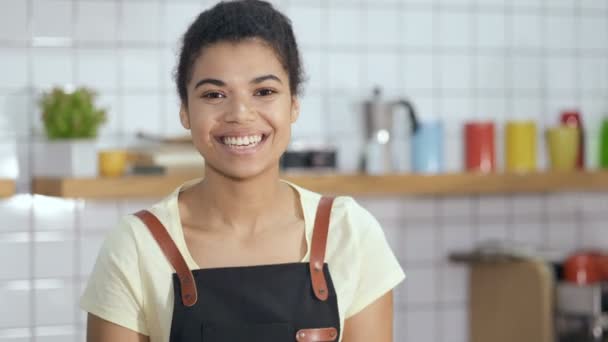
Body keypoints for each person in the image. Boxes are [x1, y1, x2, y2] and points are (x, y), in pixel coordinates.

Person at [80, 1, 405, 341]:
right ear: (185, 112)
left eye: (264, 91)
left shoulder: (350, 234)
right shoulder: (136, 246)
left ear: (293, 104)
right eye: (214, 94)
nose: (240, 113)